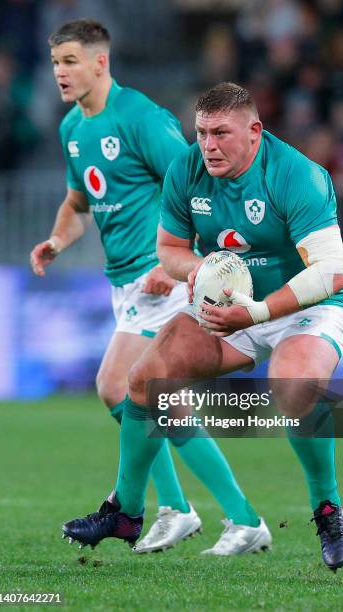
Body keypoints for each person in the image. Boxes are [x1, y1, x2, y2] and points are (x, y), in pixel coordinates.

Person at [66, 81, 343, 570]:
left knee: (293, 387)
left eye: (221, 133)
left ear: (254, 131)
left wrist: (260, 312)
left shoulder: (296, 174)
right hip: (233, 304)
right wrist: (199, 272)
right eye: (201, 133)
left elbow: (330, 272)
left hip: (305, 302)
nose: (209, 145)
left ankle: (327, 509)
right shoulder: (187, 169)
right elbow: (170, 251)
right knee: (145, 378)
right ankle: (126, 512)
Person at [30, 21, 270, 555]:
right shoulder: (73, 129)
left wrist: (180, 264)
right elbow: (78, 204)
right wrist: (56, 239)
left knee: (117, 385)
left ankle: (158, 510)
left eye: (70, 61)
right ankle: (232, 516)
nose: (60, 73)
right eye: (54, 63)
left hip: (158, 279)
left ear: (100, 62)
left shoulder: (140, 118)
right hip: (124, 284)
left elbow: (195, 187)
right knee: (160, 405)